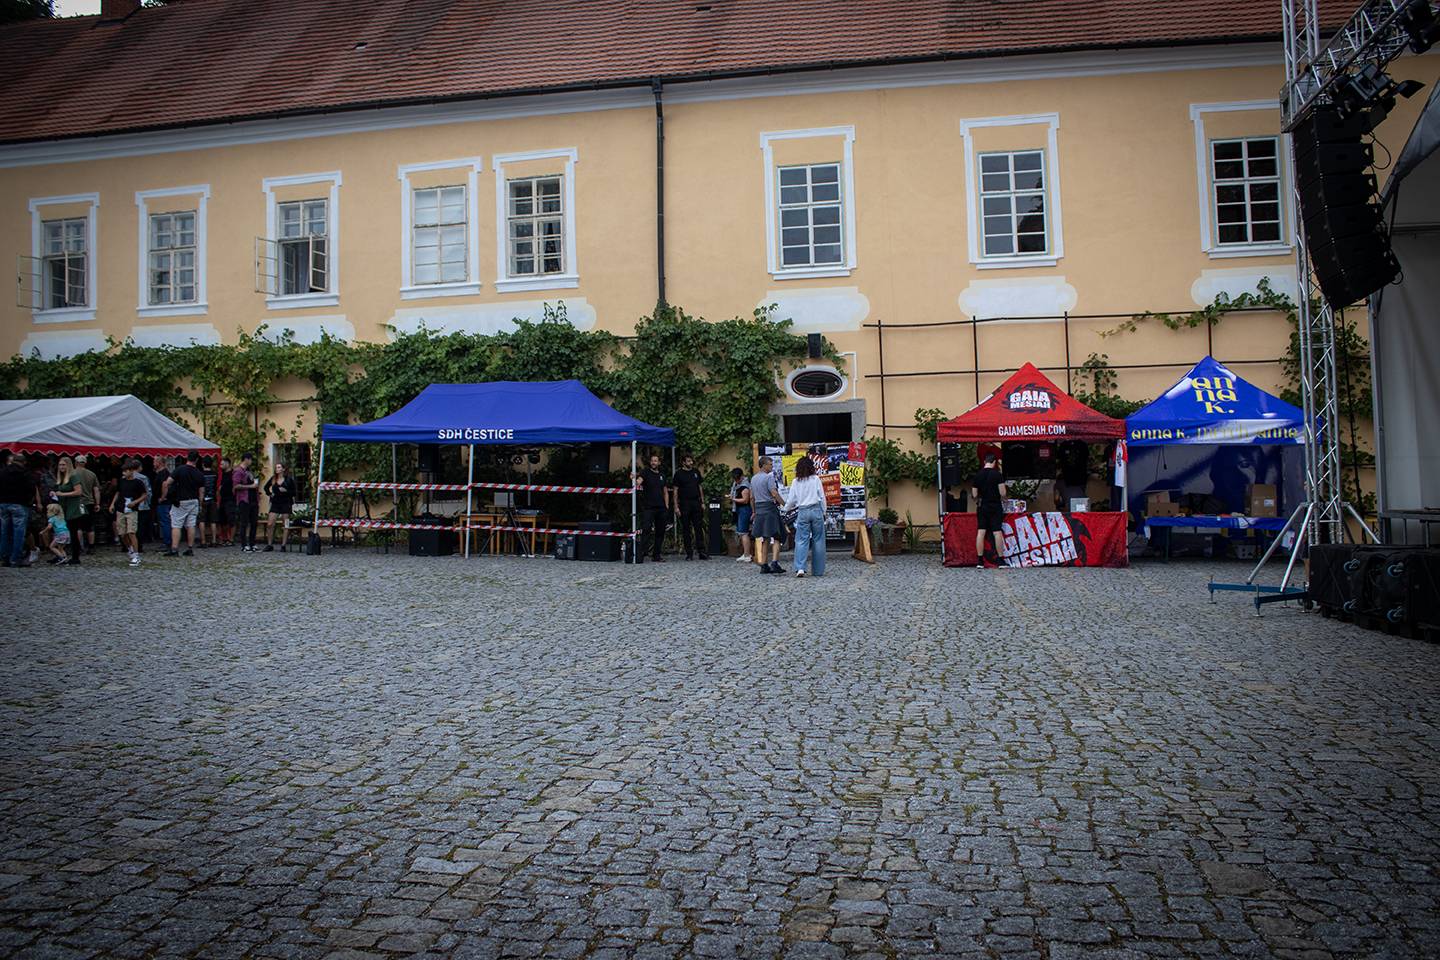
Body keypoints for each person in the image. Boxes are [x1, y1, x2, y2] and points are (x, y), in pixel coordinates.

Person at [781, 455, 826, 578]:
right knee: (818, 540)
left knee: (801, 540)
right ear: (811, 467)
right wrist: (824, 511)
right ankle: (818, 571)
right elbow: (822, 497)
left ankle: (800, 568)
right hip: (816, 509)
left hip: (803, 511)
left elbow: (791, 500)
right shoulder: (816, 479)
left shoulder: (796, 481)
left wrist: (785, 510)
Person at [164, 450, 205, 557]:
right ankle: (190, 548)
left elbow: (167, 482)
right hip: (194, 501)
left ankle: (174, 549)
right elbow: (201, 492)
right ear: (197, 459)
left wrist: (166, 495)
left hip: (180, 500)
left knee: (176, 525)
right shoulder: (199, 474)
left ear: (187, 458)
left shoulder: (179, 470)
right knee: (191, 524)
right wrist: (200, 504)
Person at [971, 452, 1008, 568]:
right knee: (997, 532)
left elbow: (974, 494)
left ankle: (980, 561)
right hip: (995, 506)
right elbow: (1003, 493)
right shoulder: (997, 475)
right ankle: (1000, 560)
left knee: (981, 532)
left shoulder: (977, 475)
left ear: (984, 462)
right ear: (994, 462)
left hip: (982, 506)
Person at [749, 456, 785, 574]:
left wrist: (754, 511)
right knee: (777, 536)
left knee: (765, 537)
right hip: (769, 509)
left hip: (759, 509)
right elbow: (774, 493)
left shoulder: (753, 479)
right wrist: (784, 503)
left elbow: (752, 497)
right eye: (770, 464)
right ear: (763, 465)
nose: (772, 466)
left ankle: (764, 564)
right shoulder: (769, 478)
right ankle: (774, 562)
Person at [0, 452, 36, 568]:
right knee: (19, 532)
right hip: (20, 504)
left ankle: (5, 557)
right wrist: (28, 501)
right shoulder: (25, 473)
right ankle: (16, 559)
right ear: (24, 462)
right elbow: (31, 488)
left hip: (4, 503)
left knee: (4, 531)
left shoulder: (3, 472)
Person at [110, 459, 149, 566]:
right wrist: (112, 504)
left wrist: (135, 502)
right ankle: (130, 549)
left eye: (125, 471)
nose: (124, 473)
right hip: (121, 509)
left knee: (131, 532)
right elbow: (118, 492)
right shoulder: (121, 481)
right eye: (123, 471)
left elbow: (144, 494)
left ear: (131, 471)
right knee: (122, 533)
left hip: (132, 510)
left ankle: (136, 555)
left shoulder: (138, 482)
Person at [670, 454, 708, 560]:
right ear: (683, 462)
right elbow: (675, 490)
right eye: (688, 461)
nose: (691, 463)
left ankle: (702, 552)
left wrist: (702, 502)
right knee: (686, 529)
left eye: (691, 461)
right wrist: (676, 506)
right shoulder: (678, 474)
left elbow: (700, 487)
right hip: (684, 504)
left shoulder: (696, 472)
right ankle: (689, 553)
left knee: (698, 528)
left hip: (696, 503)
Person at [635, 452, 670, 562]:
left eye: (655, 461)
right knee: (646, 529)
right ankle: (641, 554)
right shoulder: (645, 472)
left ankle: (656, 555)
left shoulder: (662, 476)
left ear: (659, 462)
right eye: (652, 461)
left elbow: (665, 492)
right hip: (649, 507)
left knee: (660, 532)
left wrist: (667, 505)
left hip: (661, 508)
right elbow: (639, 481)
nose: (653, 462)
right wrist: (635, 480)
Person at [52, 456, 86, 566]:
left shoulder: (73, 476)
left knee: (73, 532)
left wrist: (63, 494)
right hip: (64, 507)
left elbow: (78, 491)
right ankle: (61, 554)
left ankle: (75, 557)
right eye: (60, 465)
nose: (61, 467)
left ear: (68, 465)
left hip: (74, 508)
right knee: (62, 531)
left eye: (63, 465)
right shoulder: (61, 477)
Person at [263, 462, 297, 552]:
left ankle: (283, 545)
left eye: (279, 467)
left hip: (286, 503)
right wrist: (270, 494)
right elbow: (266, 487)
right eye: (276, 467)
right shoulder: (273, 479)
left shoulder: (289, 480)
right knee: (270, 524)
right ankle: (269, 544)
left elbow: (294, 492)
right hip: (275, 503)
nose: (277, 469)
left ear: (283, 469)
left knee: (285, 524)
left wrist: (286, 491)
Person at [233, 453, 261, 552]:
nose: (251, 462)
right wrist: (250, 486)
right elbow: (236, 486)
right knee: (244, 523)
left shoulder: (249, 471)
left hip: (253, 500)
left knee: (254, 522)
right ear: (246, 459)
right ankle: (244, 545)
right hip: (244, 500)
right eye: (250, 460)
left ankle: (252, 543)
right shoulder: (238, 471)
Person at [72, 454, 99, 553]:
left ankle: (79, 546)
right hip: (89, 502)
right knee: (90, 526)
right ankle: (91, 547)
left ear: (75, 463)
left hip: (76, 502)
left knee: (78, 526)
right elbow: (96, 490)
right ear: (85, 463)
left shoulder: (72, 474)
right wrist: (97, 503)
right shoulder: (92, 474)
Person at [728, 467, 753, 563]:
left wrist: (733, 499)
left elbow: (745, 500)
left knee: (744, 532)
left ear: (742, 477)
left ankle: (747, 555)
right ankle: (745, 553)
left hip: (744, 509)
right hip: (739, 509)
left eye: (738, 479)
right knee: (741, 532)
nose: (736, 481)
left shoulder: (745, 486)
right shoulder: (736, 484)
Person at [153, 455, 174, 548]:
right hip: (164, 501)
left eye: (154, 461)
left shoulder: (163, 473)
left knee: (165, 522)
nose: (153, 463)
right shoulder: (164, 473)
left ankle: (167, 541)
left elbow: (165, 485)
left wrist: (162, 497)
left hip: (164, 502)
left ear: (159, 462)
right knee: (165, 521)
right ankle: (167, 540)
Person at [217, 457, 235, 546]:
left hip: (230, 499)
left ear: (228, 464)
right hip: (223, 499)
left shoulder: (233, 474)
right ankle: (224, 538)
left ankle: (231, 539)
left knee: (231, 519)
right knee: (222, 520)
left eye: (222, 464)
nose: (221, 466)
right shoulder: (222, 474)